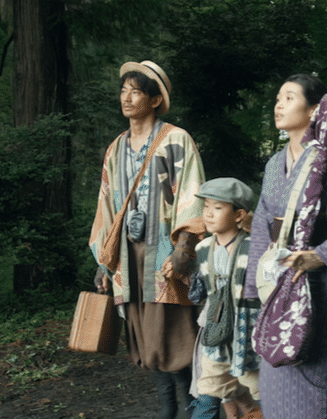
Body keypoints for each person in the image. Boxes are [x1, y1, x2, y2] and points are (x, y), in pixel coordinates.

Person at [243, 74, 327, 418]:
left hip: (317, 292)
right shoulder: (275, 165)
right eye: (277, 98)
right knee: (274, 390)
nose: (278, 104)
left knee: (312, 393)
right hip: (278, 288)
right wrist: (252, 288)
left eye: (288, 97)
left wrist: (321, 255)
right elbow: (261, 224)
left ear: (314, 109)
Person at [88, 60, 206, 418]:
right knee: (146, 342)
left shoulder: (176, 140)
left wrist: (185, 248)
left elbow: (192, 194)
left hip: (166, 256)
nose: (126, 97)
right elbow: (106, 206)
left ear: (155, 100)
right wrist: (103, 262)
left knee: (175, 338)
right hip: (128, 257)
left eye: (135, 91)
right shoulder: (115, 148)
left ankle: (194, 411)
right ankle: (168, 412)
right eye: (123, 90)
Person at [182, 178, 262, 419]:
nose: (208, 214)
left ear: (239, 215)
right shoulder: (203, 248)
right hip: (217, 332)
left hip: (250, 336)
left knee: (262, 392)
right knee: (207, 393)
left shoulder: (254, 247)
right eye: (206, 207)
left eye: (217, 208)